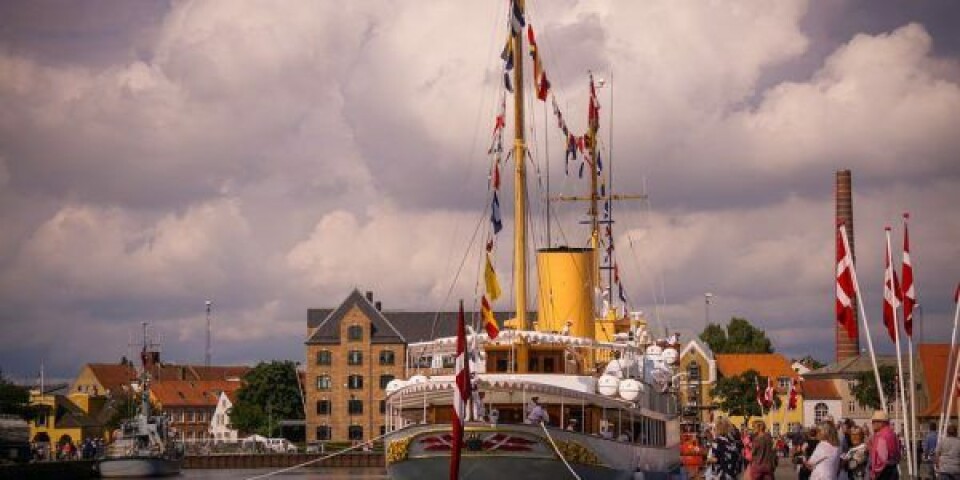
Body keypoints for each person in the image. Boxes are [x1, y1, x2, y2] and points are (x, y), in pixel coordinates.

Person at [868, 410, 901, 480]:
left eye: (874, 421)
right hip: (893, 469)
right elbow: (898, 453)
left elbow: (882, 460)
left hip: (884, 473)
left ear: (882, 422)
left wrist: (874, 474)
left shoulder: (881, 436)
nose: (872, 423)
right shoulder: (892, 433)